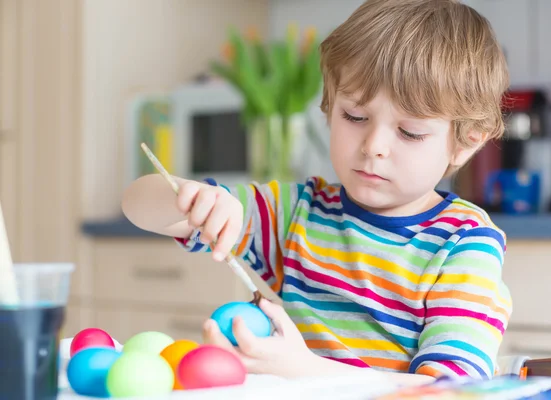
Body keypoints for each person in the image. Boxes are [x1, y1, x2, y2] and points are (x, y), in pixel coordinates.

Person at [122, 0, 512, 385]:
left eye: (409, 132)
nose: (373, 144)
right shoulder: (298, 212)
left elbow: (449, 391)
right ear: (329, 108)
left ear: (465, 143)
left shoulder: (465, 244)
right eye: (354, 116)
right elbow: (137, 207)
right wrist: (192, 199)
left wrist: (306, 370)